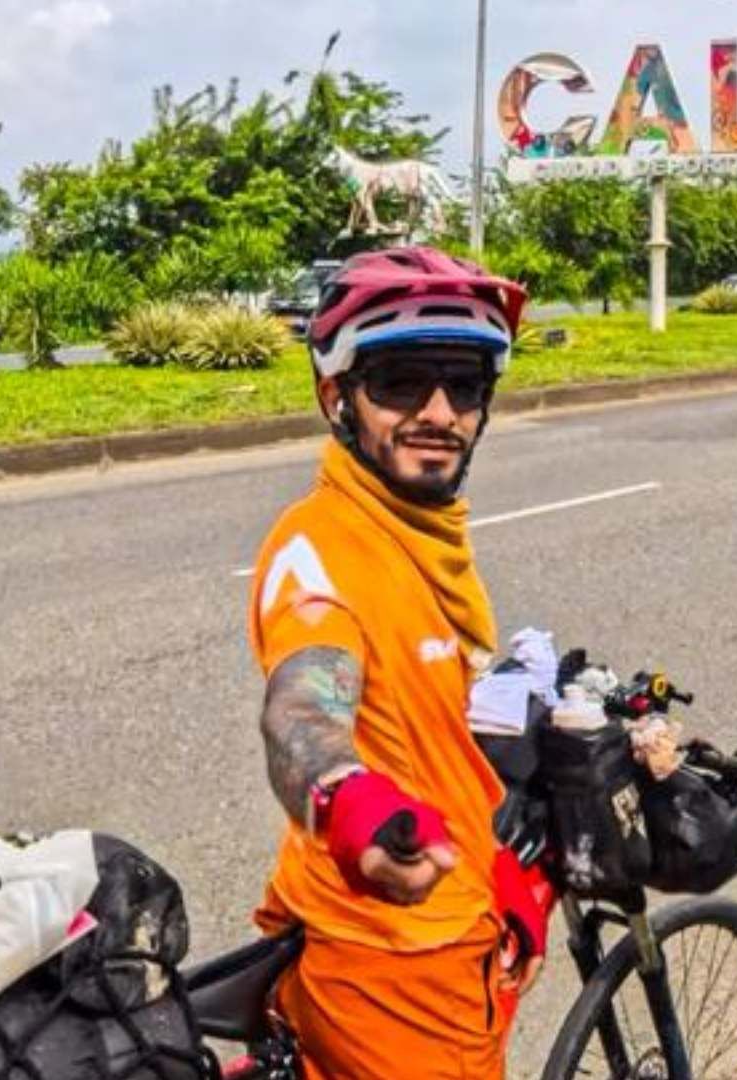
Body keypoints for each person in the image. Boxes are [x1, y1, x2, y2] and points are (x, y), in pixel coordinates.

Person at [245, 247, 550, 1079]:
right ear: (336, 396)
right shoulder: (322, 549)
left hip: (448, 925)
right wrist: (348, 803)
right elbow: (301, 710)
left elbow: (426, 724)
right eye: (402, 382)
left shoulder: (420, 531)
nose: (439, 413)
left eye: (465, 385)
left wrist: (491, 859)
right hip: (390, 967)